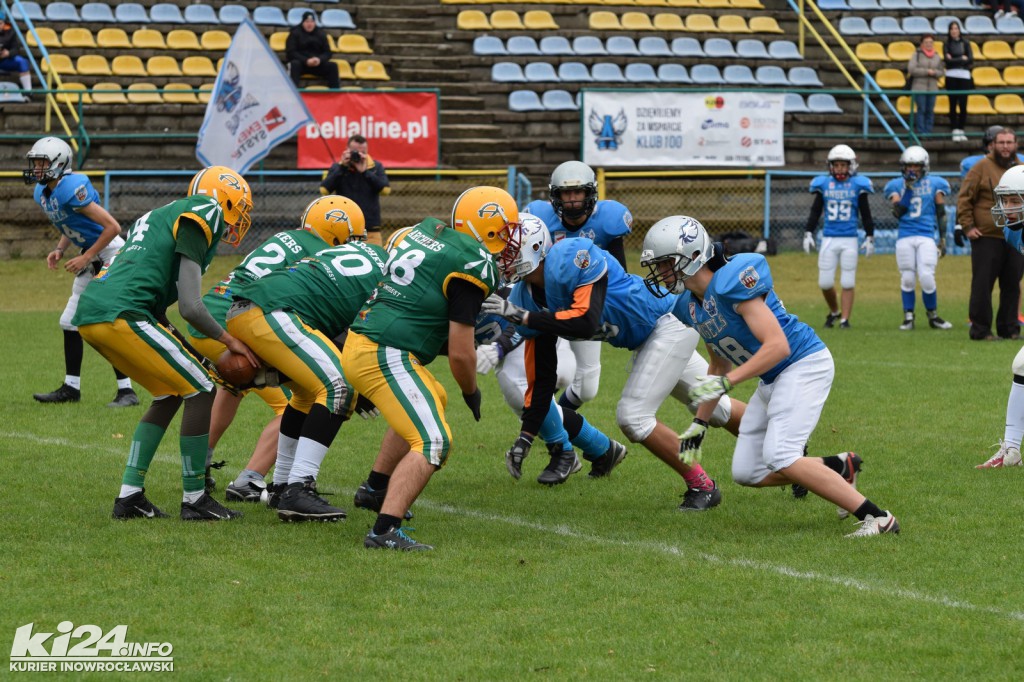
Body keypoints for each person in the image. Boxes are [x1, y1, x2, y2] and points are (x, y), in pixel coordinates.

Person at [640, 216, 900, 537]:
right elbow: (718, 366)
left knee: (781, 456)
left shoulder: (731, 281)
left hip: (803, 363)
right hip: (773, 379)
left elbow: (778, 346)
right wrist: (699, 424)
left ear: (693, 256)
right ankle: (838, 467)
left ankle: (878, 517)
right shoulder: (690, 305)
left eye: (666, 264)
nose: (661, 274)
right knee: (747, 472)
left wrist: (729, 383)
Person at [483, 219, 747, 512]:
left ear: (534, 246)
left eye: (509, 250)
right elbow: (544, 376)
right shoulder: (524, 298)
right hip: (649, 338)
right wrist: (527, 437)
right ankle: (789, 454)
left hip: (668, 323)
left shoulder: (568, 256)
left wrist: (523, 317)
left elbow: (584, 322)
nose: (502, 258)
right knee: (718, 410)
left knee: (633, 417)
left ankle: (702, 486)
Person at [73, 166, 256, 521]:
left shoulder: (160, 214)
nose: (238, 219)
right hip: (123, 311)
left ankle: (130, 497)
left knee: (171, 392)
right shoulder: (206, 211)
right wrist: (228, 341)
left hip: (97, 310)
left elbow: (163, 309)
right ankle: (195, 498)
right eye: (239, 208)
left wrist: (189, 349)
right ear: (227, 198)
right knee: (202, 389)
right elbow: (191, 306)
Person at [342, 186, 520, 550]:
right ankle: (383, 532)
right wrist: (471, 391)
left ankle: (376, 487)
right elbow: (460, 353)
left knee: (433, 396)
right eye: (505, 229)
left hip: (366, 342)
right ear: (486, 227)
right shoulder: (473, 263)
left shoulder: (427, 233)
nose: (510, 238)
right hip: (384, 352)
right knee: (434, 441)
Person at [183, 195, 369, 502]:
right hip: (239, 321)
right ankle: (250, 480)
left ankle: (199, 467)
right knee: (300, 399)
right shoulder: (321, 251)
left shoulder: (289, 238)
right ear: (338, 232)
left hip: (211, 316)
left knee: (232, 389)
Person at [226, 228, 389, 522]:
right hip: (276, 312)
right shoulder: (389, 274)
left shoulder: (365, 256)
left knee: (305, 393)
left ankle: (282, 486)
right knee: (340, 388)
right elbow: (358, 337)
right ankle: (299, 488)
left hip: (251, 308)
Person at [24, 137, 139, 408]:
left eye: (42, 163)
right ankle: (71, 388)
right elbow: (70, 223)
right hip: (92, 253)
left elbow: (112, 227)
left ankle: (127, 391)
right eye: (36, 163)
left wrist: (86, 256)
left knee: (106, 324)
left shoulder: (71, 189)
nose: (37, 169)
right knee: (69, 321)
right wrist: (60, 249)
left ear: (59, 163)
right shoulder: (46, 192)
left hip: (111, 253)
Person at [522, 160, 632, 412]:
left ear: (590, 193)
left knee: (587, 387)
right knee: (551, 372)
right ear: (555, 196)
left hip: (584, 305)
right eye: (565, 193)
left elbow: (620, 274)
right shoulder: (539, 218)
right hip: (544, 301)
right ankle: (542, 422)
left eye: (578, 192)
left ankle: (561, 418)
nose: (572, 200)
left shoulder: (608, 220)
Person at [958, 128, 1023, 340]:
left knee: (1012, 284)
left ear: (1016, 145)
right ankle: (980, 329)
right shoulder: (980, 167)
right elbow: (964, 198)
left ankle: (1010, 328)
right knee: (983, 285)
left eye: (1009, 142)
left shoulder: (1020, 169)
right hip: (987, 236)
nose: (1006, 146)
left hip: (1015, 234)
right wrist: (968, 226)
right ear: (992, 145)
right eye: (1001, 142)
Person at [979, 165, 1024, 468]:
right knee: (1022, 365)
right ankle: (1011, 449)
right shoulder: (1012, 233)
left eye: (1014, 200)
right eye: (1005, 200)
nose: (1007, 208)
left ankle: (1011, 448)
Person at [803, 144, 876, 329]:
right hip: (829, 238)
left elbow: (865, 213)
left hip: (849, 238)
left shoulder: (857, 185)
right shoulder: (824, 184)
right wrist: (808, 231)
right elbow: (815, 210)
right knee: (825, 282)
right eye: (837, 165)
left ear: (851, 166)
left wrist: (870, 235)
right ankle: (834, 311)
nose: (840, 169)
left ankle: (845, 319)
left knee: (848, 281)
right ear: (831, 166)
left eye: (843, 165)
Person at [883, 146, 954, 331]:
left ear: (924, 166)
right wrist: (908, 189)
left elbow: (941, 212)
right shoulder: (896, 185)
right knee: (907, 277)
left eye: (916, 165)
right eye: (909, 166)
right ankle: (908, 317)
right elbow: (898, 212)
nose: (912, 169)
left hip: (926, 235)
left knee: (926, 276)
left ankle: (933, 316)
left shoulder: (935, 183)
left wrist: (943, 238)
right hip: (905, 236)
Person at [321, 134, 390, 246]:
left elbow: (385, 190)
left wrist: (365, 172)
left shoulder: (375, 167)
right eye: (354, 151)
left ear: (367, 151)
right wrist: (342, 168)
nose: (358, 155)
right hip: (343, 231)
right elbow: (324, 190)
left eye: (362, 152)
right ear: (347, 150)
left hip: (370, 230)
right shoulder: (337, 168)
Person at [285, 11, 339, 90]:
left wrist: (319, 59)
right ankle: (293, 92)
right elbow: (291, 52)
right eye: (307, 22)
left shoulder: (321, 34)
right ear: (303, 22)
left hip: (316, 64)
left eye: (312, 22)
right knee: (294, 64)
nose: (309, 24)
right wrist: (306, 60)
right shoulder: (295, 33)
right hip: (301, 63)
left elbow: (328, 52)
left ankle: (335, 94)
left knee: (333, 66)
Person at [907, 34, 943, 136]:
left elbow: (941, 71)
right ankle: (921, 132)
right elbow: (911, 69)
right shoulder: (916, 54)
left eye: (931, 42)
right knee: (921, 109)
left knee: (930, 111)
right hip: (919, 88)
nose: (929, 44)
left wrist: (935, 73)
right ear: (922, 44)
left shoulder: (937, 56)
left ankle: (928, 132)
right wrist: (926, 72)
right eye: (926, 42)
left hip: (932, 88)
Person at [943, 21, 973, 143]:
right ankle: (954, 129)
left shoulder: (966, 43)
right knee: (952, 103)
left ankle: (961, 128)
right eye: (952, 29)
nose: (954, 31)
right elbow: (947, 61)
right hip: (951, 75)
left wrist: (954, 59)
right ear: (949, 31)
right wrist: (961, 58)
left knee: (963, 104)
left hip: (964, 75)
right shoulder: (946, 44)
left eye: (956, 28)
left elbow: (970, 58)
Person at [0, 15, 32, 97]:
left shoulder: (10, 32)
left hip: (4, 61)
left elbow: (16, 49)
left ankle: (28, 93)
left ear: (4, 23)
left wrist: (9, 53)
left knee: (22, 62)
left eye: (0, 23)